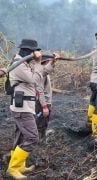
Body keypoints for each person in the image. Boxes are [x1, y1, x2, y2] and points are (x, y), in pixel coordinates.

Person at [7, 39, 59, 179]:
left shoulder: (24, 63)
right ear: (28, 51)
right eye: (33, 51)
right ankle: (12, 168)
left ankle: (19, 166)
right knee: (32, 137)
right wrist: (37, 62)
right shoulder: (18, 64)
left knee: (22, 136)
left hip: (26, 107)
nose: (36, 53)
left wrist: (52, 62)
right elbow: (35, 80)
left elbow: (41, 74)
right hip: (22, 108)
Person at [35, 55, 58, 139]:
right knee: (40, 122)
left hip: (45, 103)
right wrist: (44, 106)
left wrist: (54, 61)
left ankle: (41, 137)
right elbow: (39, 91)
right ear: (45, 63)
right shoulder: (41, 74)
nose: (50, 64)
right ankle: (39, 140)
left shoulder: (44, 73)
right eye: (49, 62)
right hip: (42, 103)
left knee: (44, 122)